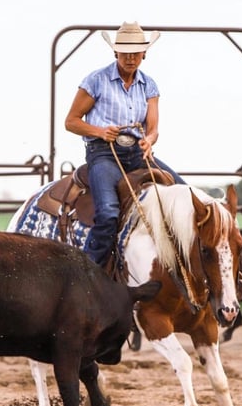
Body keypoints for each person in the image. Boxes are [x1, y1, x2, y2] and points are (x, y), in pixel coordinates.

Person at [65, 21, 185, 267]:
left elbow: (152, 128)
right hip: (104, 153)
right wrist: (99, 131)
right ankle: (87, 274)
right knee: (108, 214)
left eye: (135, 52)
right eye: (125, 52)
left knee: (184, 196)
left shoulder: (148, 85)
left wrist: (149, 141)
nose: (130, 58)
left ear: (144, 54)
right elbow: (71, 121)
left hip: (137, 152)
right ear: (115, 52)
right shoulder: (96, 80)